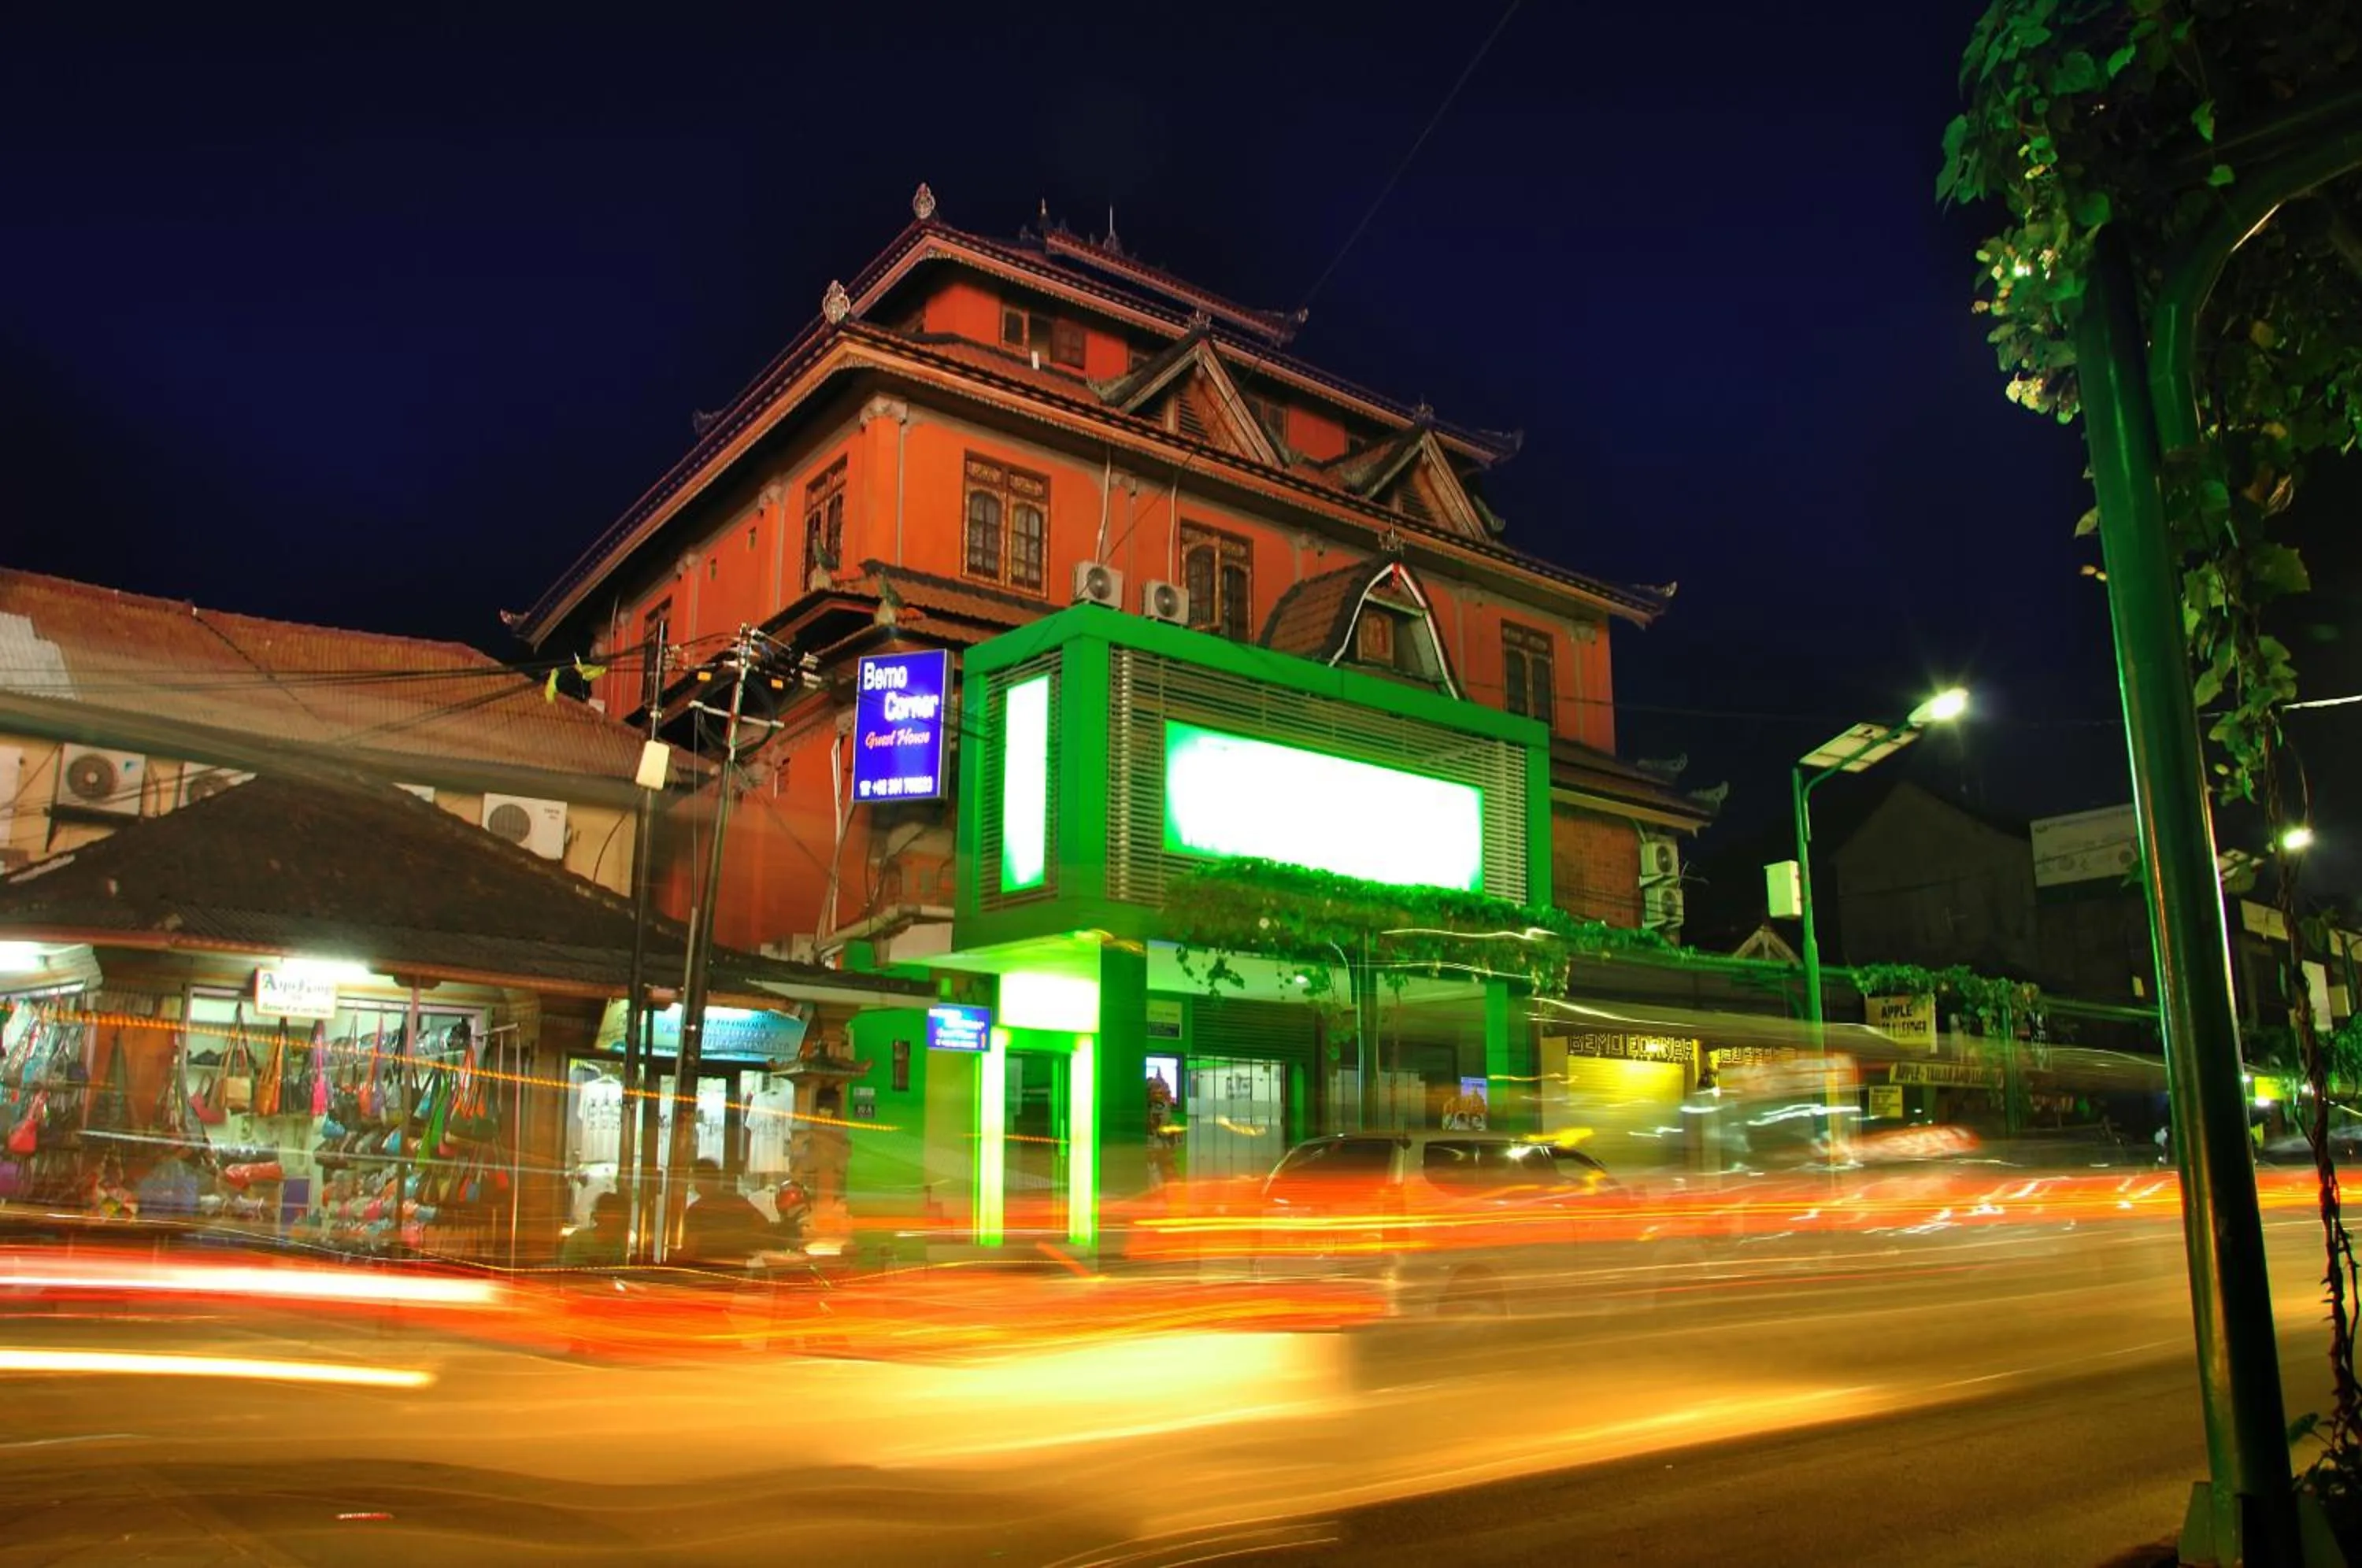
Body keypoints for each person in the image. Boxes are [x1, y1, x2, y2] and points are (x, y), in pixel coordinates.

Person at [679, 1157, 769, 1268]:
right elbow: (763, 1223)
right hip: (736, 1270)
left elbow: (690, 1248)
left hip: (706, 1270)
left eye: (694, 1178)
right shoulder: (738, 1201)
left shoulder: (697, 1210)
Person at [561, 1191, 627, 1269]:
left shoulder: (622, 1244)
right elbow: (570, 1273)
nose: (614, 1220)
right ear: (598, 1215)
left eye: (619, 1216)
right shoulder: (578, 1240)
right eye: (610, 1213)